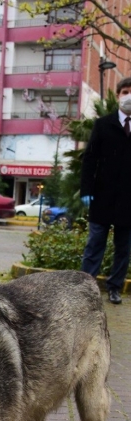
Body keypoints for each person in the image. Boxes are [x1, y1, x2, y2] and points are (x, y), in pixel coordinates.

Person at [80, 76, 131, 305]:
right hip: (102, 196)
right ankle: (86, 288)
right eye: (125, 92)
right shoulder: (103, 124)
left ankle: (114, 287)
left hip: (128, 200)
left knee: (124, 248)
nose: (129, 96)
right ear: (119, 95)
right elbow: (89, 159)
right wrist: (86, 189)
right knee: (95, 244)